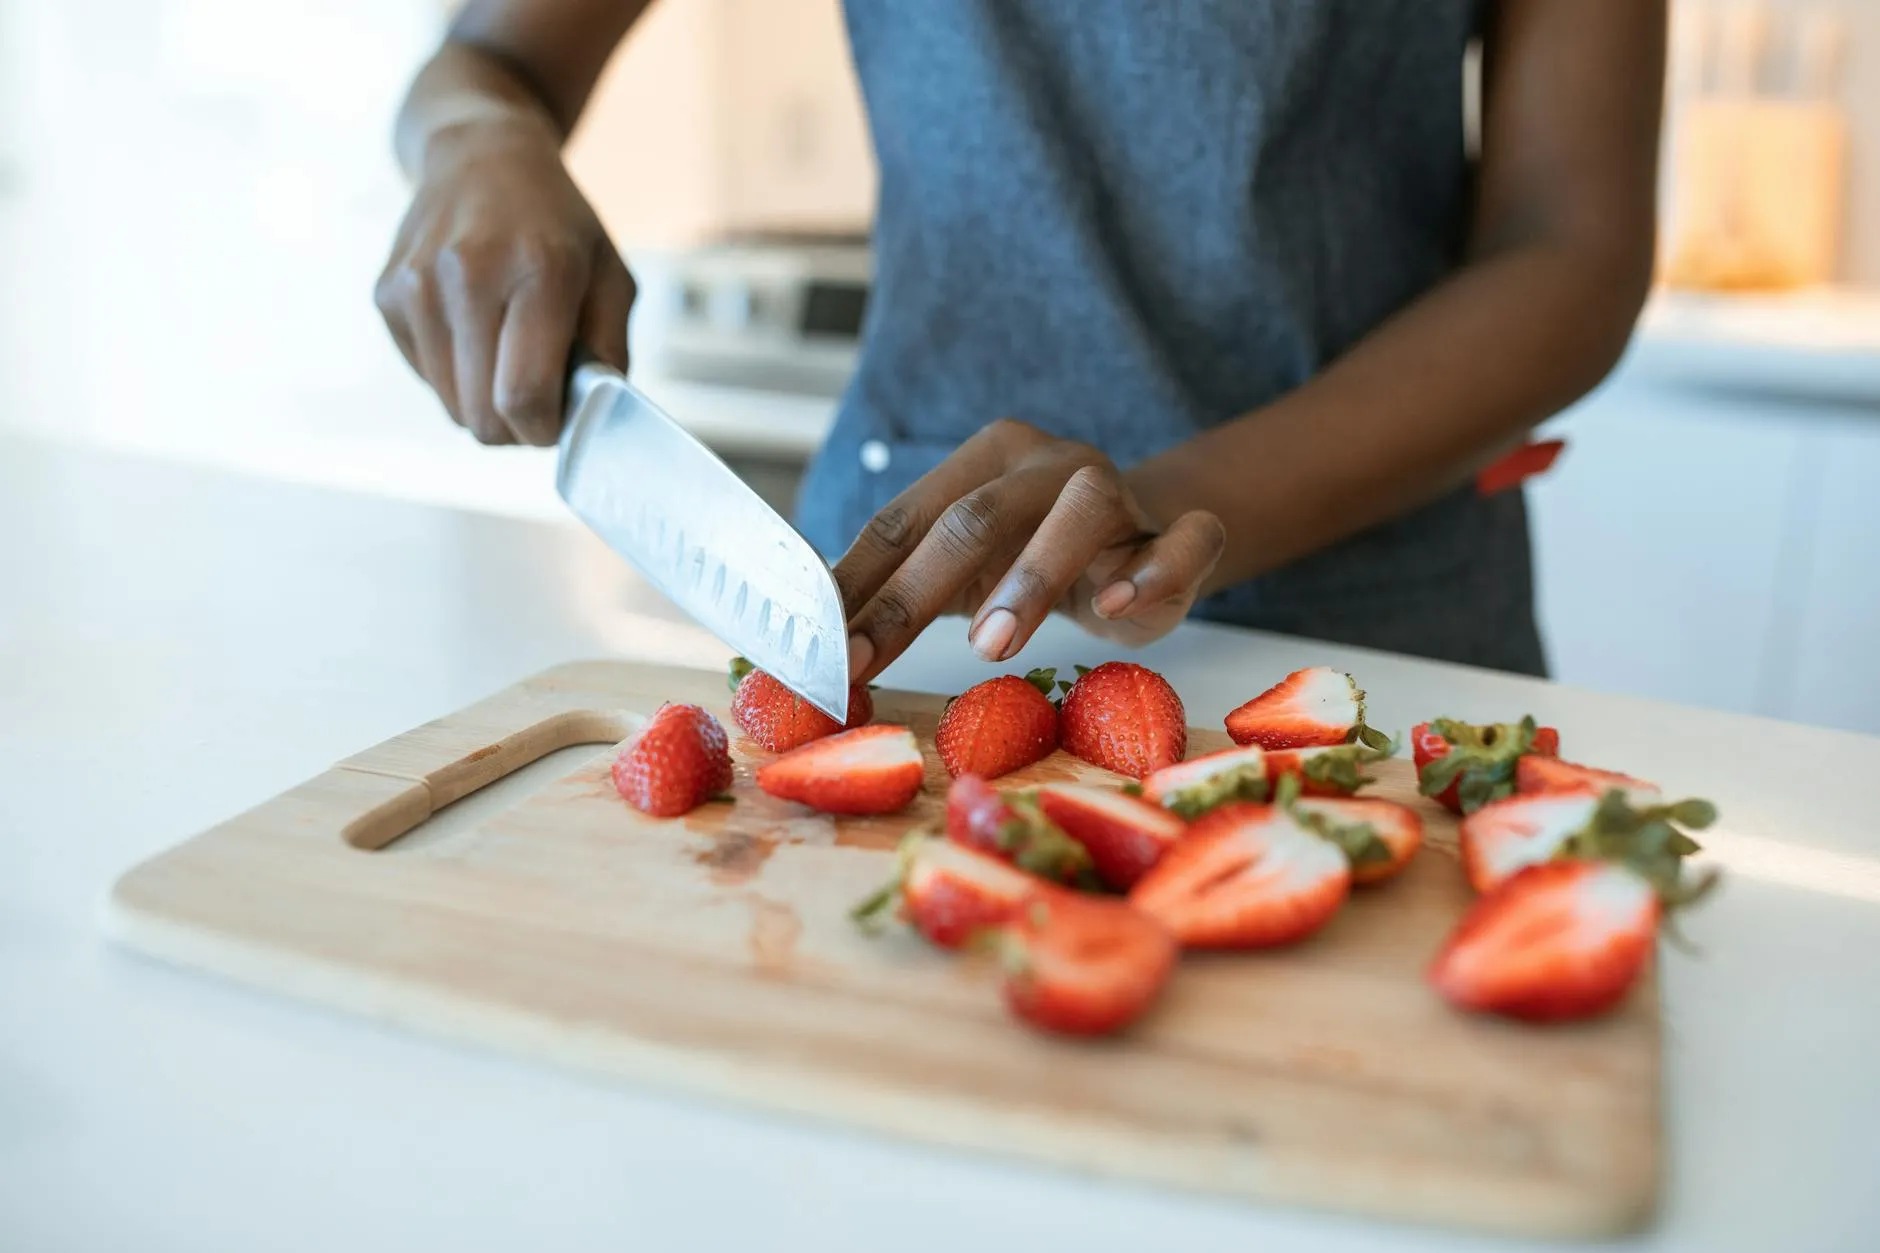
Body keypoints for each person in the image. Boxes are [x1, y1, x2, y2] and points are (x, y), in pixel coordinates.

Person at [376, 1, 1665, 686]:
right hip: (895, 619)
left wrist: (1160, 501)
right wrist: (477, 144)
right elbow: (489, 66)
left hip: (1381, 629)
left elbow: (1573, 249)